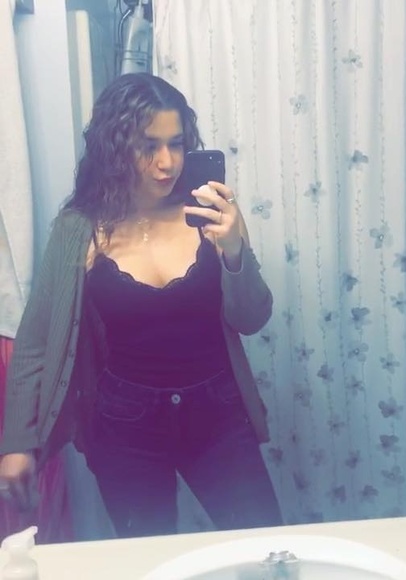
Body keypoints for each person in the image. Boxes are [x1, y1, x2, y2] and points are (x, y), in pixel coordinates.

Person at [0, 73, 282, 538]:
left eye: (176, 144)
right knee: (149, 555)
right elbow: (35, 340)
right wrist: (17, 443)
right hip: (124, 422)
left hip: (217, 412)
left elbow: (252, 318)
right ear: (115, 148)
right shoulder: (78, 229)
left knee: (263, 544)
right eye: (148, 146)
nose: (167, 162)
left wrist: (234, 250)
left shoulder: (210, 216)